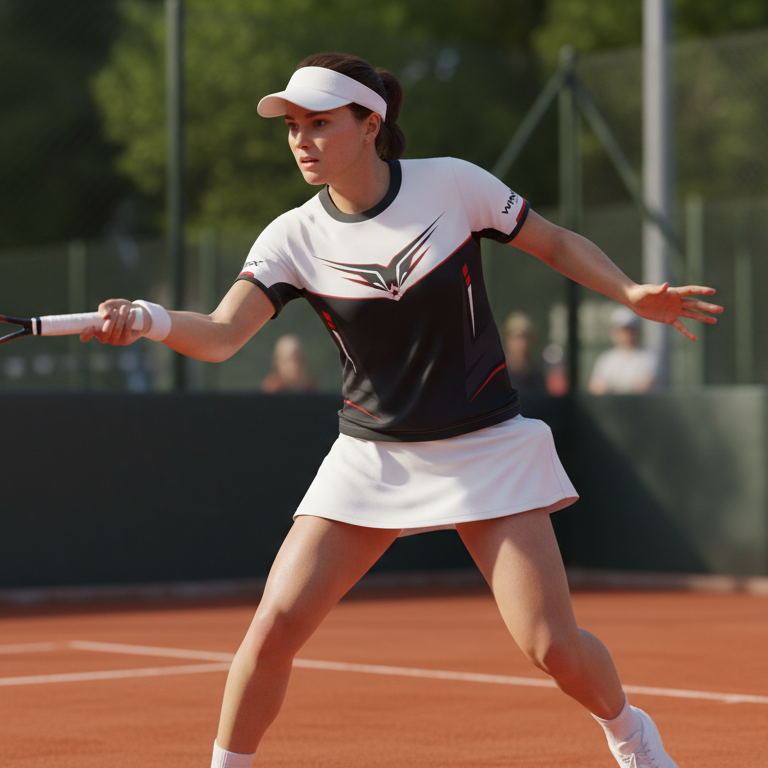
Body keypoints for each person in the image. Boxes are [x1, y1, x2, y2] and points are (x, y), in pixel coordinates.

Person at [81, 52, 722, 768]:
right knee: (274, 626)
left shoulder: (453, 184)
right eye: (292, 126)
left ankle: (631, 733)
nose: (301, 140)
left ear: (369, 124)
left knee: (552, 647)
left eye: (319, 123)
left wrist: (630, 292)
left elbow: (555, 242)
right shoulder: (292, 236)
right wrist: (147, 317)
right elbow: (224, 334)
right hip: (372, 455)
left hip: (485, 444)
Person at [589, 306, 661, 395]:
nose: (625, 334)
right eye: (621, 329)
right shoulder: (606, 358)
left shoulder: (650, 356)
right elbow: (597, 387)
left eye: (629, 329)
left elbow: (644, 387)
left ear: (637, 331)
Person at [503, 311, 547, 397]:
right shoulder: (498, 375)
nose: (522, 344)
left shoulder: (537, 373)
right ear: (508, 340)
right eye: (517, 338)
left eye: (526, 338)